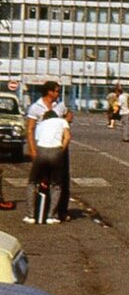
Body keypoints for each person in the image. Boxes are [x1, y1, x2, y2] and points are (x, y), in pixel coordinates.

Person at [25, 80, 73, 222]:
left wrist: (65, 121)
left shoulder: (60, 105)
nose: (58, 93)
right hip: (43, 146)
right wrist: (32, 149)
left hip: (58, 145)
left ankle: (60, 211)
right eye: (57, 91)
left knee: (61, 179)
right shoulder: (35, 107)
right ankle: (40, 211)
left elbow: (69, 115)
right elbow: (30, 129)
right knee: (40, 179)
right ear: (49, 92)